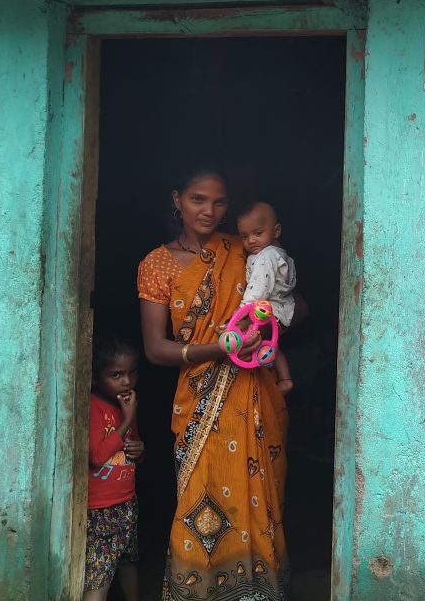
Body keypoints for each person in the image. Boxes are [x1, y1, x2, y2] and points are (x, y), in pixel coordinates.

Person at [137, 166, 302, 601]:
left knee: (258, 498)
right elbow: (155, 348)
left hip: (255, 395)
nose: (209, 210)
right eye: (198, 199)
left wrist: (265, 330)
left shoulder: (246, 248)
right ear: (177, 199)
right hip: (198, 401)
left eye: (219, 201)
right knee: (201, 499)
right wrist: (224, 348)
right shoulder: (156, 265)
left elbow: (294, 305)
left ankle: (257, 591)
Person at [85, 337, 144, 601]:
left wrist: (140, 451)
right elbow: (97, 456)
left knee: (128, 561)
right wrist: (128, 418)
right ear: (95, 377)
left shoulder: (126, 406)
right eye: (116, 375)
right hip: (100, 509)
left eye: (132, 372)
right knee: (99, 576)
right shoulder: (93, 406)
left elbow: (134, 452)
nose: (127, 381)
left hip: (127, 503)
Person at [236, 201, 296, 393]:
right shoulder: (279, 253)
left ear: (276, 231)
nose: (251, 240)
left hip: (269, 311)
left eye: (258, 233)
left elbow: (258, 288)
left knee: (249, 337)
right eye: (244, 236)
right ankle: (285, 379)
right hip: (282, 310)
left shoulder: (266, 257)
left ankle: (267, 375)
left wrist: (241, 313)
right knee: (271, 343)